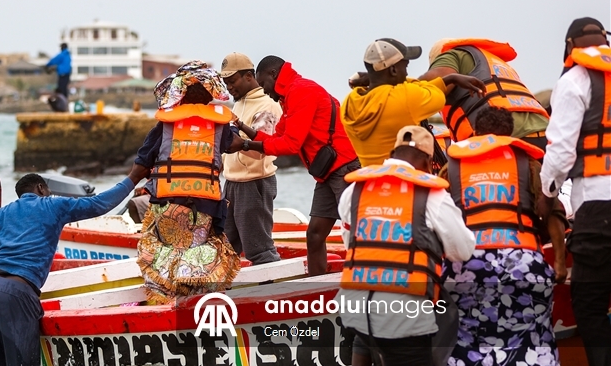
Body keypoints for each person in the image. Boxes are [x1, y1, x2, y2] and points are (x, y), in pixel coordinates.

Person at [337, 127, 476, 366]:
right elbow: (462, 248)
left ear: (391, 154)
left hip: (356, 307)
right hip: (402, 309)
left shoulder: (355, 190)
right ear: (428, 163)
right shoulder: (431, 194)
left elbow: (351, 241)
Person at [441, 106, 567, 366]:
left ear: (473, 133)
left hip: (470, 264)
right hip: (523, 260)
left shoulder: (451, 168)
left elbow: (436, 220)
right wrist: (559, 262)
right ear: (511, 134)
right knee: (534, 337)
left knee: (471, 338)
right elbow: (552, 212)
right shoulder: (527, 163)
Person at [0, 168, 148, 366]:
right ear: (41, 188)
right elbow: (99, 204)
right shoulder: (52, 205)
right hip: (17, 291)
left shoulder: (1, 213)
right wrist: (133, 178)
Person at [538, 17, 611, 366]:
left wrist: (548, 190)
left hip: (599, 212)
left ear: (570, 46)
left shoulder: (576, 78)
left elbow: (562, 146)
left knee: (589, 306)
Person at [235, 56, 360, 276]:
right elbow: (278, 136)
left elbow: (291, 144)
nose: (264, 91)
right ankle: (316, 291)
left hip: (344, 169)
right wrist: (242, 128)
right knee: (314, 235)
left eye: (264, 84)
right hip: (326, 173)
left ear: (274, 74)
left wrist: (245, 144)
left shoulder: (301, 91)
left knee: (357, 232)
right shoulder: (289, 95)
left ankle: (365, 282)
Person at [134, 61, 242, 304]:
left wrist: (128, 184)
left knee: (163, 252)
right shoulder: (220, 125)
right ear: (209, 94)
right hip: (204, 208)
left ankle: (163, 301)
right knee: (199, 254)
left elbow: (143, 160)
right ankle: (196, 304)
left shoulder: (166, 123)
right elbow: (233, 144)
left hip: (167, 205)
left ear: (179, 93)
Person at [343, 39, 485, 167]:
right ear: (393, 70)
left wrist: (374, 79)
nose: (406, 74)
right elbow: (435, 94)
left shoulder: (349, 103)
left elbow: (409, 88)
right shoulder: (406, 98)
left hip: (369, 183)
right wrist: (451, 78)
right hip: (401, 181)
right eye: (405, 67)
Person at [422, 38, 549, 148]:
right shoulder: (493, 62)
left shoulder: (450, 55)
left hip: (507, 135)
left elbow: (423, 91)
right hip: (544, 133)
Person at [219, 52, 284, 264]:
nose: (229, 87)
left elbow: (260, 150)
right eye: (226, 83)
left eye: (232, 81)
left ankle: (272, 291)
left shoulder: (268, 105)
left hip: (254, 183)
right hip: (232, 183)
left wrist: (236, 142)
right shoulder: (238, 104)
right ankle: (223, 292)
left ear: (249, 76)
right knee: (225, 247)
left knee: (259, 249)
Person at [44, 42, 72, 112]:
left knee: (60, 90)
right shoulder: (68, 55)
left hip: (62, 75)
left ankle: (62, 107)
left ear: (62, 47)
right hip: (67, 75)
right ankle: (64, 106)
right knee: (64, 90)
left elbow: (54, 60)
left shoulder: (62, 55)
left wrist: (47, 65)